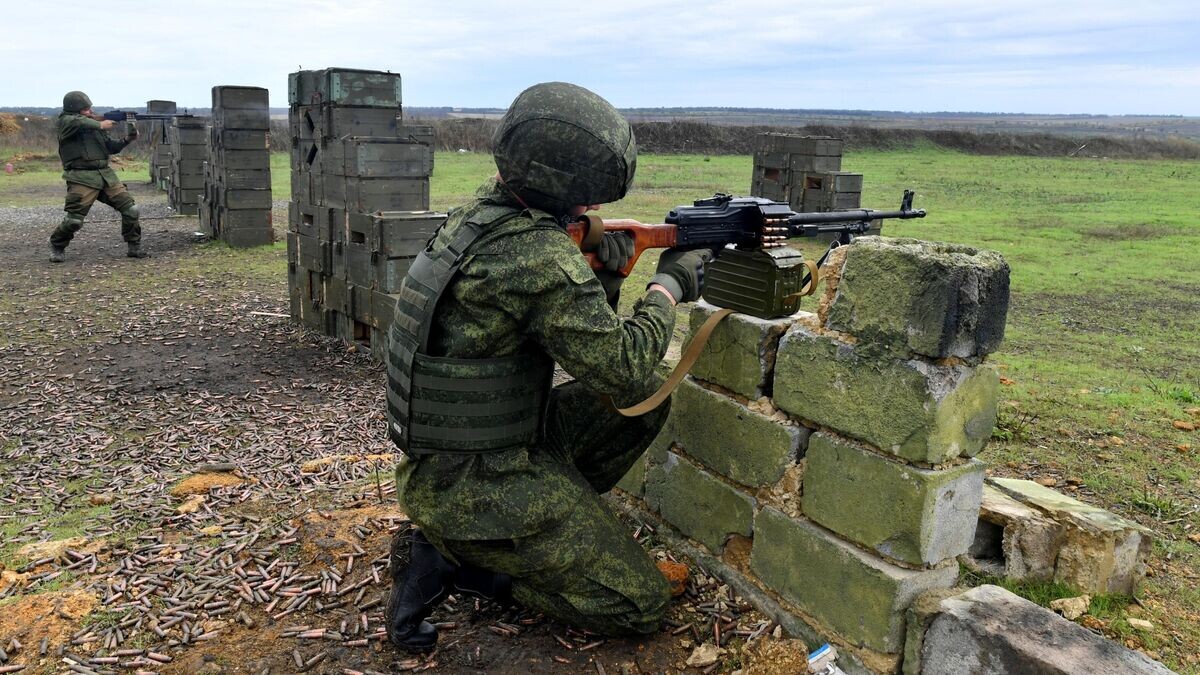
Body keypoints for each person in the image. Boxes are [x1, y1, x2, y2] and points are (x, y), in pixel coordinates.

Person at [384, 82, 712, 652]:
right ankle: (468, 564)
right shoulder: (535, 254)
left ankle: (538, 530)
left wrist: (604, 282)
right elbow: (627, 366)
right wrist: (667, 286)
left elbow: (590, 359)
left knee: (641, 404)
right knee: (637, 605)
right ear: (570, 187)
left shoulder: (480, 216)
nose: (593, 209)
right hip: (475, 483)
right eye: (588, 196)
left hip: (461, 454)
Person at [49, 90, 146, 262]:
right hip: (81, 177)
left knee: (131, 210)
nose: (89, 112)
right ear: (74, 110)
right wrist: (101, 124)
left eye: (89, 108)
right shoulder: (67, 122)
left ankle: (134, 246)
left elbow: (110, 147)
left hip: (105, 175)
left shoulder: (92, 125)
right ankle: (57, 245)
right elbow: (76, 121)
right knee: (74, 221)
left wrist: (127, 139)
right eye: (85, 109)